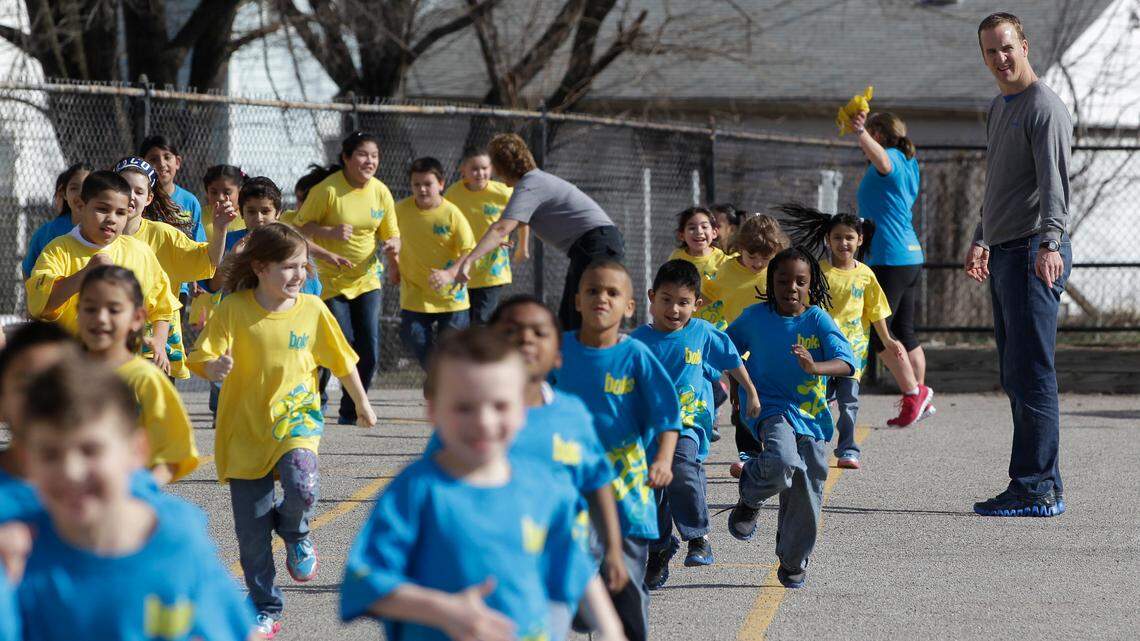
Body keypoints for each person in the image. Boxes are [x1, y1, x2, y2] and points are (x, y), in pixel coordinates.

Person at [340, 328, 624, 641]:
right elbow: (365, 580)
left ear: (522, 410)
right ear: (433, 411)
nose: (483, 422)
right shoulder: (417, 490)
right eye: (464, 407)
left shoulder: (543, 487)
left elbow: (576, 567)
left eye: (500, 406)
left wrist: (611, 629)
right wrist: (444, 610)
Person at [188, 223, 378, 639]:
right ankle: (265, 607)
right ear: (260, 267)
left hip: (296, 419)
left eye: (303, 265)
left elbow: (342, 360)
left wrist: (362, 403)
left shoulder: (312, 310)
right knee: (252, 536)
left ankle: (295, 530)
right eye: (289, 266)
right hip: (244, 430)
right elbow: (200, 357)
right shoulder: (233, 309)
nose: (300, 274)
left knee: (303, 486)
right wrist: (213, 367)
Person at [13, 360, 252, 641]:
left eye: (90, 450)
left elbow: (239, 631)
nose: (71, 471)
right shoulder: (20, 558)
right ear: (27, 460)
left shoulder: (177, 545)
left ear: (136, 451)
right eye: (50, 455)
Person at [965, 13, 1072, 518]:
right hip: (1006, 251)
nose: (1000, 58)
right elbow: (998, 184)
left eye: (1007, 47)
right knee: (1017, 372)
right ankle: (1042, 483)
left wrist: (1050, 244)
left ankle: (1035, 488)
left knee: (1032, 373)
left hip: (1033, 252)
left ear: (1024, 46)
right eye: (991, 51)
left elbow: (1054, 186)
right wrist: (981, 236)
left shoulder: (1043, 108)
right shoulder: (999, 107)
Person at [554, 259, 681, 641]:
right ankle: (586, 607)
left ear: (629, 306)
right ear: (577, 300)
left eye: (612, 292)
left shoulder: (636, 355)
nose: (602, 298)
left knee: (625, 586)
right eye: (593, 290)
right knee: (580, 603)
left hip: (627, 489)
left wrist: (663, 460)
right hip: (571, 486)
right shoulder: (558, 352)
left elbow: (667, 414)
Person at [725, 247, 855, 589]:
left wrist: (815, 367)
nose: (791, 288)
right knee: (783, 459)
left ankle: (793, 559)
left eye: (800, 281)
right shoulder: (755, 317)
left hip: (810, 414)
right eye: (783, 281)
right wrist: (739, 388)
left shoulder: (817, 320)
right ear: (771, 282)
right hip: (768, 406)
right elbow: (725, 349)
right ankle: (751, 493)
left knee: (808, 485)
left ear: (811, 285)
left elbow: (847, 363)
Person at [630, 260, 760, 589]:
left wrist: (750, 391)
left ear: (697, 304)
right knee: (652, 489)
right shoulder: (637, 341)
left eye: (683, 302)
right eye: (666, 300)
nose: (674, 309)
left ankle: (697, 536)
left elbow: (731, 359)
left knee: (683, 467)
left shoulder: (701, 332)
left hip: (688, 423)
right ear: (651, 297)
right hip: (648, 429)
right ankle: (660, 548)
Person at [432, 133, 624, 331]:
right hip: (590, 247)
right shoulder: (532, 184)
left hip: (597, 245)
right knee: (569, 319)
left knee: (583, 319)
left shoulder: (530, 186)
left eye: (494, 166)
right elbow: (506, 227)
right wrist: (493, 242)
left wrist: (468, 261)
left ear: (502, 167)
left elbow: (500, 228)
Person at [781, 205, 926, 468]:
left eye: (849, 237)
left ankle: (848, 449)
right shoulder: (817, 272)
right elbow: (804, 308)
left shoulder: (866, 275)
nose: (843, 243)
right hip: (820, 350)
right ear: (828, 240)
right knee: (817, 402)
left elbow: (876, 310)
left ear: (860, 239)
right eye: (837, 237)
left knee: (849, 403)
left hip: (852, 352)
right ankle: (810, 446)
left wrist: (888, 339)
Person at [295, 131, 400, 425]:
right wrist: (329, 233)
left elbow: (392, 233)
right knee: (344, 342)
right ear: (346, 158)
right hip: (330, 279)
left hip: (367, 279)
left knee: (370, 349)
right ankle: (326, 397)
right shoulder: (327, 190)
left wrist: (394, 248)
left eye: (374, 156)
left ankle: (351, 409)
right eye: (363, 155)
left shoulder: (381, 192)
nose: (370, 161)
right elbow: (299, 229)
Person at [25, 171, 178, 368]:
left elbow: (163, 305)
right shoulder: (59, 250)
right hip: (71, 367)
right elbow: (39, 305)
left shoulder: (140, 252)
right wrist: (85, 273)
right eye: (103, 209)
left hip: (124, 367)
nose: (112, 219)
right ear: (81, 206)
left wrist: (159, 341)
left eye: (120, 213)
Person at [847, 107, 936, 426]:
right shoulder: (909, 161)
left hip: (890, 257)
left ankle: (913, 393)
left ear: (879, 135)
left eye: (871, 135)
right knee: (904, 331)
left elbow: (883, 162)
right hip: (908, 256)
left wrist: (860, 132)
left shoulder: (893, 158)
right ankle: (921, 397)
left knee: (878, 332)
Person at [77, 265, 199, 485]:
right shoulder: (66, 375)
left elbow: (173, 453)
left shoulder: (145, 379)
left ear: (137, 318)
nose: (101, 318)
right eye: (90, 309)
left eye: (114, 310)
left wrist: (142, 489)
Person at [115, 157, 232, 380]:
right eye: (125, 188)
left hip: (155, 347)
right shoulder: (98, 235)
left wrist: (220, 230)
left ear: (149, 198)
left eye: (139, 191)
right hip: (110, 342)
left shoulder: (163, 235)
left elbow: (209, 260)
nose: (131, 196)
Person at [696, 214, 789, 478]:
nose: (758, 263)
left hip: (773, 347)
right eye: (752, 256)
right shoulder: (727, 270)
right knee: (742, 403)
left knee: (774, 400)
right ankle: (749, 455)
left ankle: (779, 448)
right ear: (740, 248)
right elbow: (708, 293)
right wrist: (685, 309)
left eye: (765, 257)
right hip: (739, 348)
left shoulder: (779, 271)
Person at [395, 157, 476, 368]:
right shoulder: (400, 210)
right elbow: (386, 235)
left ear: (441, 184)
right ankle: (438, 378)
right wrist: (392, 260)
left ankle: (444, 380)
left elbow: (469, 250)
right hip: (415, 294)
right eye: (416, 184)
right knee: (416, 340)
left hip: (452, 296)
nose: (422, 189)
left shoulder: (452, 214)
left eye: (427, 184)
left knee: (453, 352)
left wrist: (450, 273)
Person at [443, 147, 517, 324]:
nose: (480, 173)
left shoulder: (504, 192)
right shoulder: (453, 194)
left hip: (491, 268)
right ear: (463, 170)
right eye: (474, 169)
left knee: (483, 319)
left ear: (492, 169)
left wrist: (522, 246)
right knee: (460, 321)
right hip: (461, 266)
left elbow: (521, 216)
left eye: (484, 168)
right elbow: (446, 223)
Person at [22, 163, 92, 279]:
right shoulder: (48, 232)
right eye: (74, 188)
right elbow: (28, 270)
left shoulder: (106, 229)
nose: (80, 194)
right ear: (64, 194)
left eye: (87, 187)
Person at [667, 206, 733, 281]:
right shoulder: (676, 257)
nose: (699, 232)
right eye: (692, 228)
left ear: (714, 233)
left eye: (704, 227)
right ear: (682, 235)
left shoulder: (723, 261)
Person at [203, 164, 248, 243]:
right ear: (207, 192)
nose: (220, 198)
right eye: (214, 192)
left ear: (240, 191)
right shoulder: (198, 215)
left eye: (227, 192)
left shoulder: (249, 215)